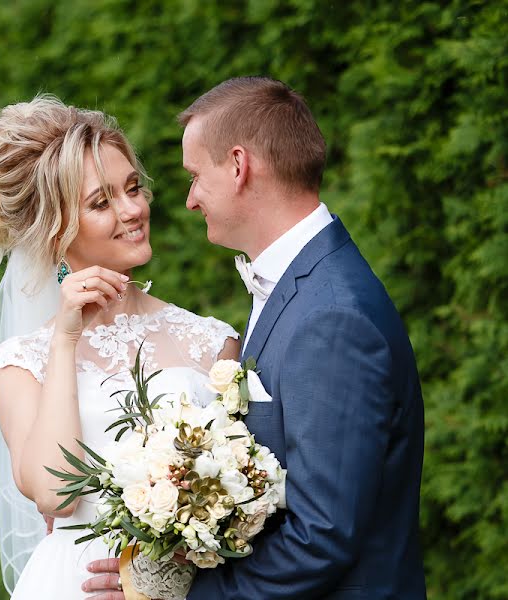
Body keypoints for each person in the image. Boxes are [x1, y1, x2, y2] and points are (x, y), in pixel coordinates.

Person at [84, 76, 426, 598]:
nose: (191, 199)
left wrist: (181, 595)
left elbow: (323, 535)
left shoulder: (331, 317)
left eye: (196, 176)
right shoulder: (301, 285)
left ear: (240, 166)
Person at [0, 95, 239, 599]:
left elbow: (241, 497)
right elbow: (54, 493)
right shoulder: (19, 363)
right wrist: (65, 339)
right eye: (101, 202)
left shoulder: (211, 342)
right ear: (55, 232)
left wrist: (164, 575)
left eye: (133, 189)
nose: (133, 210)